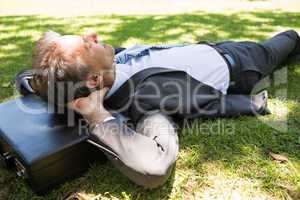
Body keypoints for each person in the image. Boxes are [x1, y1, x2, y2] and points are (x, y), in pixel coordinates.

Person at [16, 29, 300, 188]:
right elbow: (154, 168)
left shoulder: (97, 72)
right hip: (244, 62)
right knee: (289, 39)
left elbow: (25, 79)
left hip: (218, 45)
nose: (92, 34)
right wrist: (95, 114)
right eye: (88, 44)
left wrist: (53, 87)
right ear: (93, 80)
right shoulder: (144, 103)